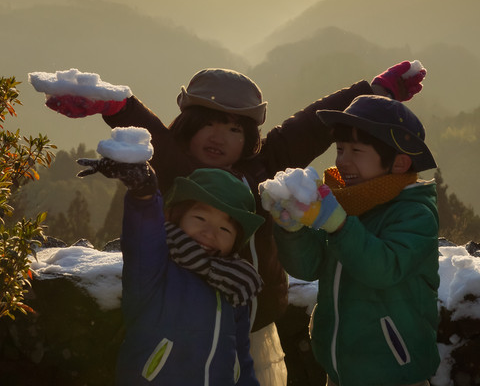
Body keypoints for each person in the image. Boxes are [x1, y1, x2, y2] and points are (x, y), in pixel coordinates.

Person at [31, 60, 426, 386]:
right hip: (187, 324)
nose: (220, 136)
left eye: (235, 128)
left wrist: (374, 92)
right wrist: (117, 106)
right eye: (208, 123)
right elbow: (153, 135)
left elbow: (308, 126)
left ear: (250, 136)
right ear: (187, 127)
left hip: (254, 325)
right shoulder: (179, 171)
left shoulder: (263, 169)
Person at [259, 95, 440, 386]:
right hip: (341, 370)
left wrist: (338, 224)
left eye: (356, 151)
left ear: (399, 162)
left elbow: (383, 268)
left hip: (395, 372)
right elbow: (309, 266)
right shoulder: (347, 205)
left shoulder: (415, 214)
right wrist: (292, 229)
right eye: (340, 149)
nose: (342, 161)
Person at [76, 128, 265, 386]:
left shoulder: (234, 285)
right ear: (176, 217)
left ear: (236, 241)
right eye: (200, 218)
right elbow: (142, 234)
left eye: (225, 228)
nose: (210, 233)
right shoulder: (157, 264)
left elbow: (240, 358)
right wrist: (143, 191)